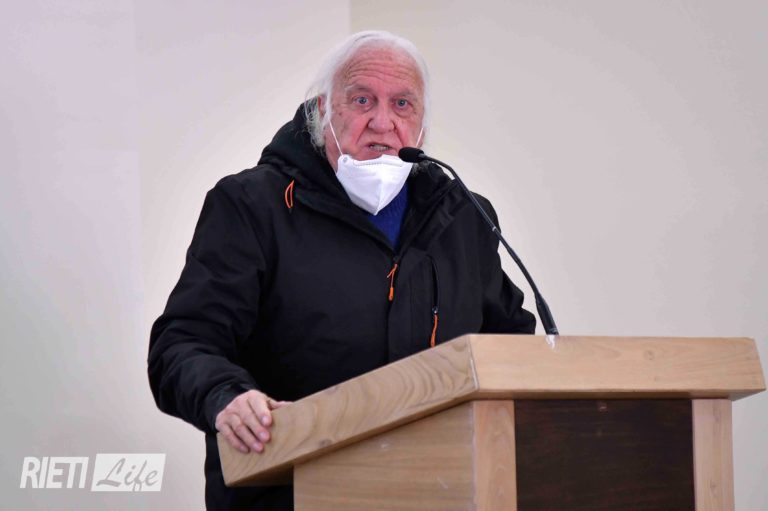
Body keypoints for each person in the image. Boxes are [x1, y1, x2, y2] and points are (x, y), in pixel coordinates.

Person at [148, 30, 536, 510]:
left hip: (442, 490)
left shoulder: (463, 217)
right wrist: (226, 396)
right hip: (288, 491)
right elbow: (182, 343)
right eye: (362, 100)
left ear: (421, 125)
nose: (382, 122)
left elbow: (510, 350)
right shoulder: (252, 206)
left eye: (402, 104)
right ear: (323, 111)